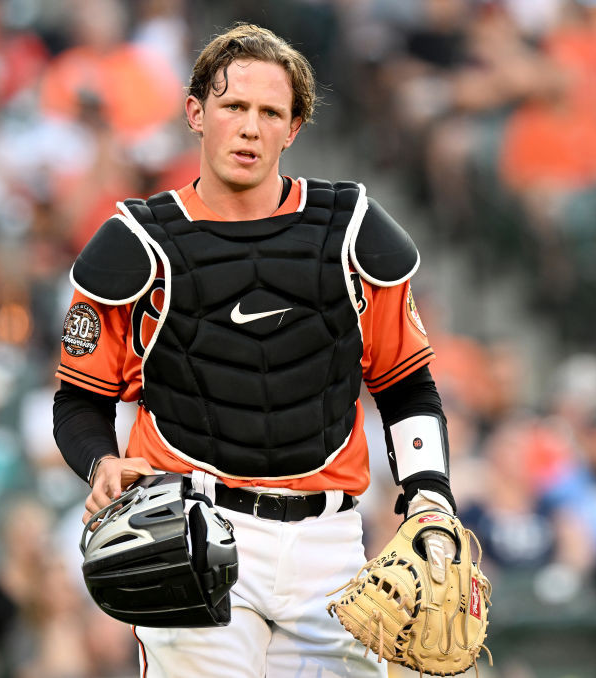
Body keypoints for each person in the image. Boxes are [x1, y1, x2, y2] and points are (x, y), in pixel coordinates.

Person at [53, 23, 460, 678]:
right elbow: (79, 400)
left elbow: (407, 384)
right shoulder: (137, 244)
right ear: (196, 113)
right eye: (233, 107)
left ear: (293, 128)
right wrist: (99, 461)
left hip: (331, 544)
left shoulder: (351, 233)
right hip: (190, 530)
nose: (250, 126)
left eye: (271, 112)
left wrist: (430, 492)